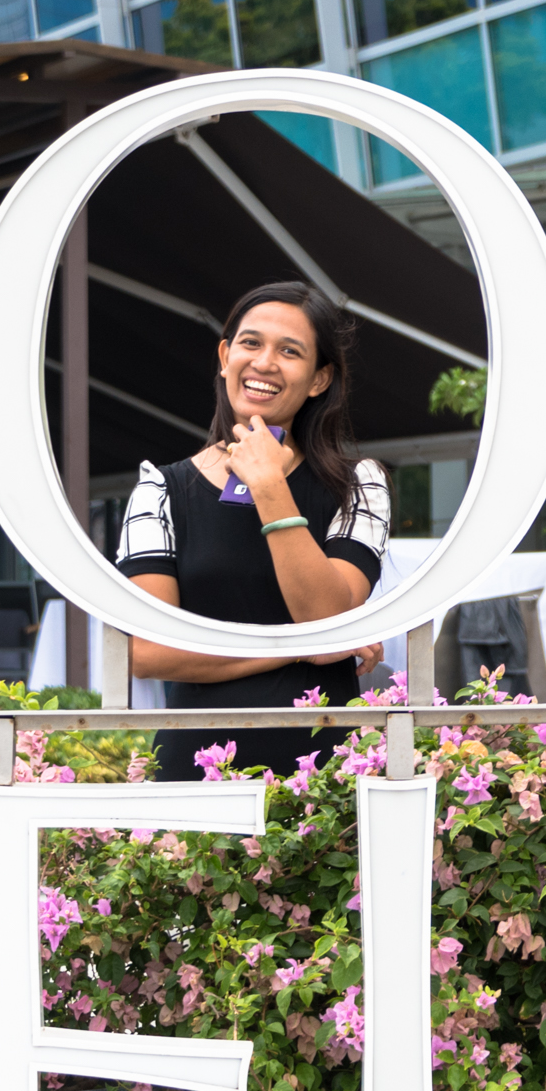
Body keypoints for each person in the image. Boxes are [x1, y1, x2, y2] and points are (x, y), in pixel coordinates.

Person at [116, 282, 390, 781]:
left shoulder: (358, 484)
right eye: (250, 343)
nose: (264, 362)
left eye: (290, 351)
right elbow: (145, 652)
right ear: (225, 357)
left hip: (323, 783)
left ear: (319, 379)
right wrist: (299, 646)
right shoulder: (160, 488)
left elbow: (326, 616)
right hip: (195, 770)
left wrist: (268, 486)